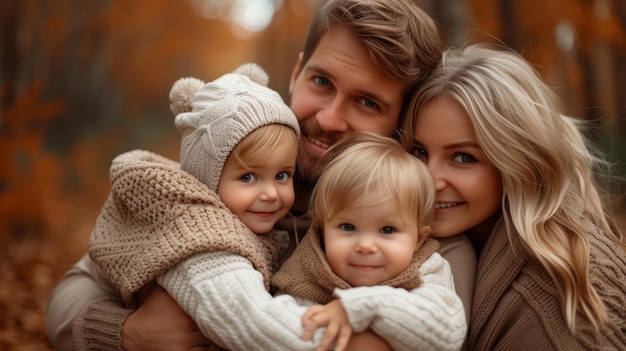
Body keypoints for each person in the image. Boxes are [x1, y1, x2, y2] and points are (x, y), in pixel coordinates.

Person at [45, 0, 448, 349]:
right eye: (322, 82)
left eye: (367, 102)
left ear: (401, 122)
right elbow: (74, 288)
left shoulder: (411, 222)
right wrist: (126, 333)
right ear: (296, 74)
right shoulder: (202, 192)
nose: (329, 117)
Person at [402, 43, 626, 350]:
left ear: (518, 163)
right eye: (418, 151)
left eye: (463, 157)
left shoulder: (545, 308)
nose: (428, 180)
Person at [80, 62, 302, 348]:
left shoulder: (242, 226)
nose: (271, 193)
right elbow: (256, 324)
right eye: (248, 177)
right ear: (206, 180)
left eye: (282, 175)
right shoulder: (203, 241)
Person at [271, 132, 467, 351]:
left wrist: (358, 307)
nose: (365, 246)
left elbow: (447, 332)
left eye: (387, 230)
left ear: (418, 240)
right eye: (348, 227)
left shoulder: (426, 270)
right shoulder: (305, 272)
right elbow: (278, 330)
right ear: (324, 231)